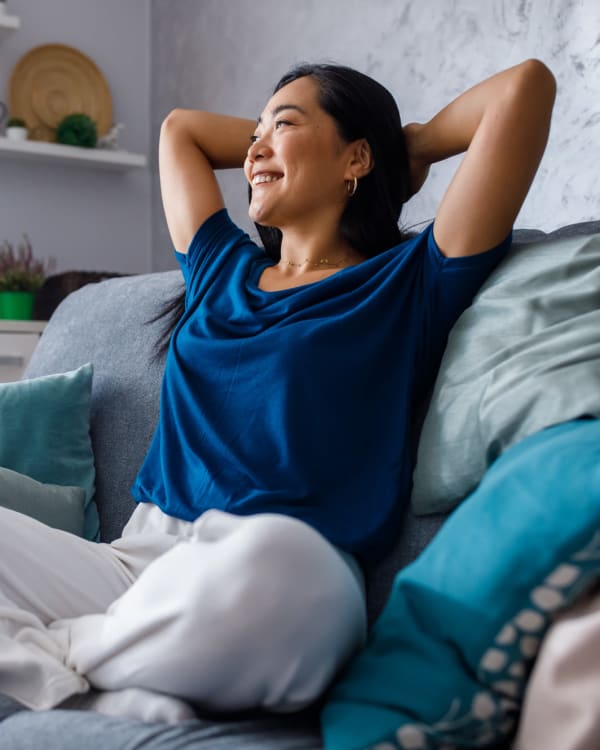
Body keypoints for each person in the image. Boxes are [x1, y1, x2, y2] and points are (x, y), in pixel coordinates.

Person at [0, 59, 555, 723]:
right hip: (136, 564)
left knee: (285, 575)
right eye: (254, 132)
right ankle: (123, 688)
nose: (255, 147)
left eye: (283, 124)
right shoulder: (220, 271)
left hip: (282, 563)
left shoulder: (411, 282)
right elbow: (181, 132)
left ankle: (69, 656)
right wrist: (279, 143)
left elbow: (524, 89)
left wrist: (409, 148)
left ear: (356, 158)